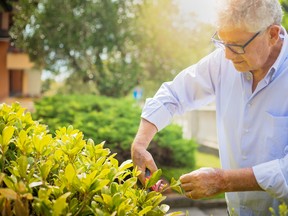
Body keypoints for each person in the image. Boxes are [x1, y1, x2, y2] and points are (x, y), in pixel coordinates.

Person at [131, 0, 288, 215]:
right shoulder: (224, 61)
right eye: (223, 42)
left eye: (237, 46)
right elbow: (174, 93)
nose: (227, 55)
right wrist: (140, 144)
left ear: (272, 34)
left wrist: (223, 181)